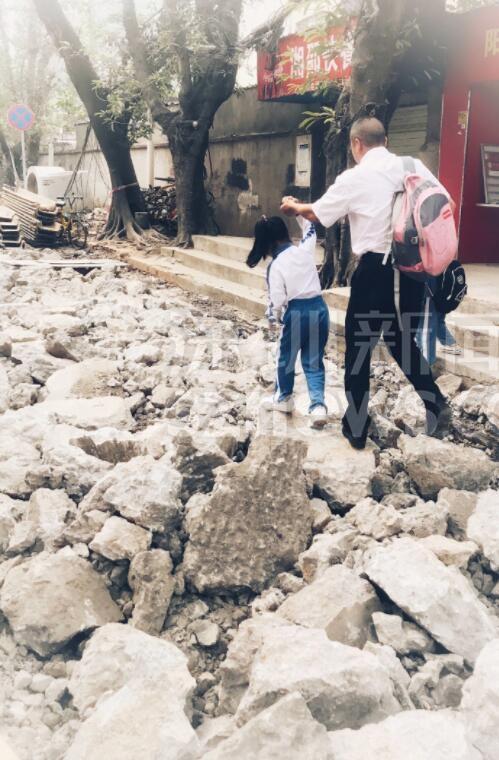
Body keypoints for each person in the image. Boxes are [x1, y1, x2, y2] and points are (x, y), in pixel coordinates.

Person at [280, 116, 451, 449]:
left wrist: (294, 207)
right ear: (385, 141)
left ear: (356, 144)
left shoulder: (354, 177)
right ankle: (437, 405)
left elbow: (318, 213)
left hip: (375, 271)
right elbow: (446, 204)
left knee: (359, 347)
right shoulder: (413, 166)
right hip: (413, 272)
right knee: (401, 341)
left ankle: (357, 427)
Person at [247, 214, 330, 428]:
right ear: (284, 233)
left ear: (267, 243)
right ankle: (318, 407)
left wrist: (272, 318)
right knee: (313, 360)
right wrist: (297, 210)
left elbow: (277, 300)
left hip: (297, 313)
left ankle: (283, 398)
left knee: (286, 357)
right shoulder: (305, 249)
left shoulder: (275, 266)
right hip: (320, 309)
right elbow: (310, 228)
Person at [416, 277, 462, 365]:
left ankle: (426, 364)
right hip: (438, 290)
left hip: (429, 288)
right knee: (435, 320)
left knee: (426, 325)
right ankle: (450, 343)